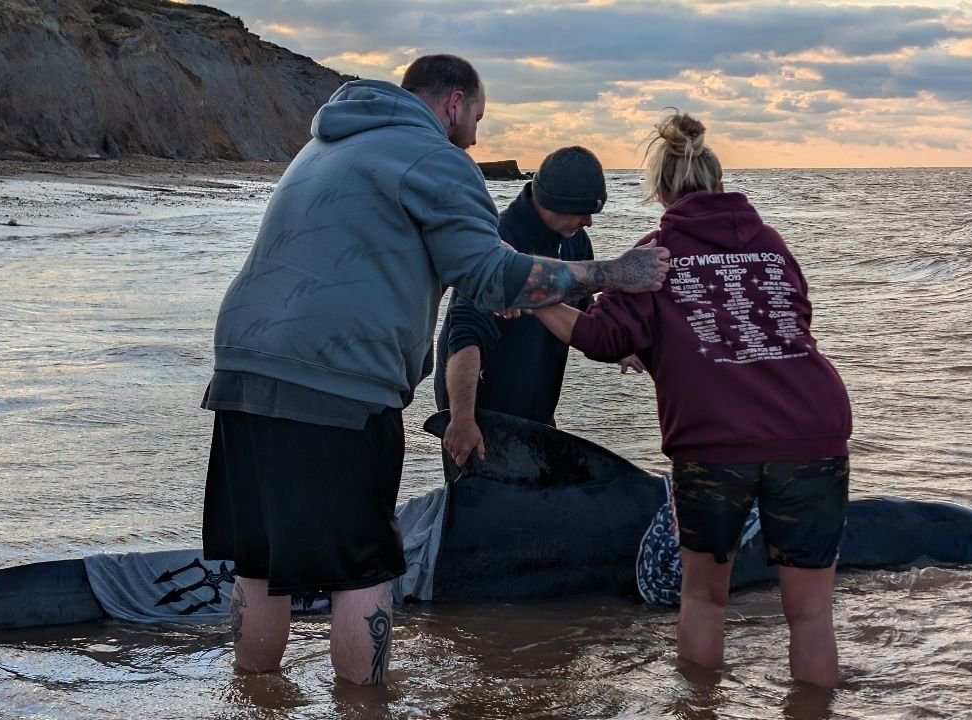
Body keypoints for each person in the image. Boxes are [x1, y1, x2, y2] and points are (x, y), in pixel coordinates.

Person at [199, 54, 670, 686]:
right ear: (453, 104)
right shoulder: (436, 158)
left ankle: (254, 700)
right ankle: (364, 706)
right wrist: (612, 273)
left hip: (240, 367)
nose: (477, 132)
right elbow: (487, 275)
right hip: (337, 384)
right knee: (364, 569)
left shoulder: (325, 145)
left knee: (260, 561)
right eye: (477, 115)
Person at [530, 112, 852, 687]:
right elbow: (783, 324)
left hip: (716, 442)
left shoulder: (659, 251)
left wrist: (535, 301)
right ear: (719, 181)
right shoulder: (772, 245)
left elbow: (601, 337)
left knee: (704, 599)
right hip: (814, 427)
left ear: (660, 189)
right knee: (810, 613)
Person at [434, 145, 643, 472]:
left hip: (537, 414)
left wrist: (619, 347)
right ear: (556, 204)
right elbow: (463, 337)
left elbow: (583, 313)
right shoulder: (499, 242)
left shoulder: (574, 240)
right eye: (584, 211)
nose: (588, 221)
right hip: (482, 417)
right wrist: (461, 419)